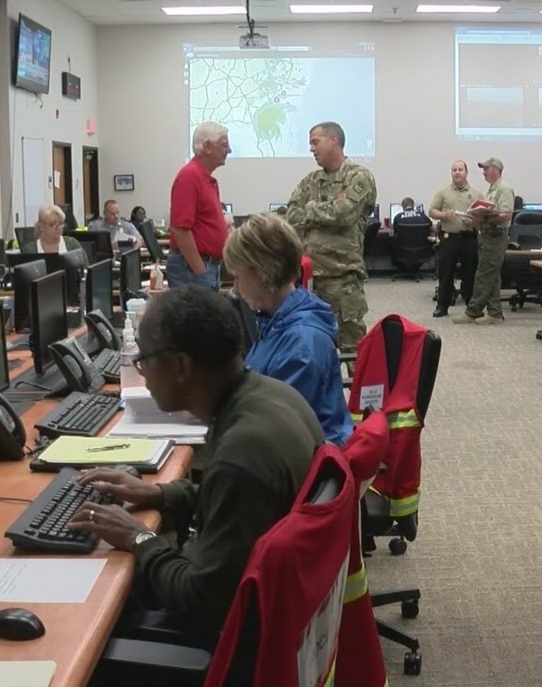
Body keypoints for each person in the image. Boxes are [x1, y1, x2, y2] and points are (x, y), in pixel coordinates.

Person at [65, 287, 322, 635]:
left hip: (230, 636)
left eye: (144, 360)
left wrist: (138, 538)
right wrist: (159, 494)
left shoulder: (242, 454)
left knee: (89, 612)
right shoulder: (272, 395)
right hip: (280, 606)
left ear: (181, 365)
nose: (143, 373)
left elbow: (203, 600)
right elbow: (239, 506)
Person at [222, 213, 353, 447]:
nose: (236, 289)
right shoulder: (276, 320)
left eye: (238, 277)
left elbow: (273, 428)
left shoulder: (301, 343)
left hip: (299, 457)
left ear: (261, 273)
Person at [286, 121, 377, 352]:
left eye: (315, 142)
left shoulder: (359, 176)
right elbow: (292, 215)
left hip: (342, 278)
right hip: (309, 279)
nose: (311, 149)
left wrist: (310, 209)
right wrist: (324, 211)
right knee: (314, 347)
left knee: (352, 349)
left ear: (333, 140)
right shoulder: (311, 180)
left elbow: (344, 213)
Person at [166, 122, 231, 290]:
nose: (229, 150)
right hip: (193, 270)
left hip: (206, 267)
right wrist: (199, 270)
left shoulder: (206, 178)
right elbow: (180, 228)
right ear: (207, 147)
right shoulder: (190, 176)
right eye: (224, 145)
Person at [452, 157, 515, 325]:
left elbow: (506, 215)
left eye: (486, 169)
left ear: (495, 170)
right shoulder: (492, 189)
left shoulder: (504, 189)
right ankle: (495, 313)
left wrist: (484, 219)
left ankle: (473, 311)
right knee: (492, 276)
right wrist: (475, 220)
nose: (483, 172)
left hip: (495, 236)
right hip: (487, 235)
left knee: (483, 275)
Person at [428, 160, 482, 318]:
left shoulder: (476, 194)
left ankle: (472, 307)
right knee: (446, 274)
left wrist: (473, 222)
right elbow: (432, 211)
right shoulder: (443, 193)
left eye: (460, 169)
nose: (457, 172)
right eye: (454, 170)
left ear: (466, 172)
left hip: (468, 238)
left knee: (470, 274)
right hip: (449, 238)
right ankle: (442, 306)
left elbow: (483, 218)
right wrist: (444, 215)